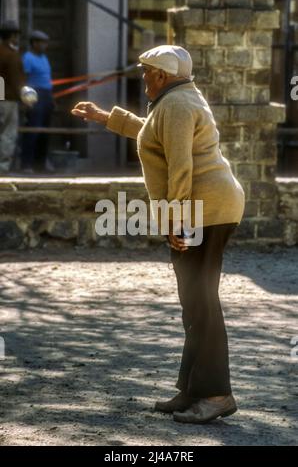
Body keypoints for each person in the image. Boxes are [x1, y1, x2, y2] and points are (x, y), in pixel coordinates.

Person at [71, 45, 246, 424]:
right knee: (194, 301)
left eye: (147, 72)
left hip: (206, 210)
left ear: (162, 76)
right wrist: (106, 117)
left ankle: (216, 394)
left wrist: (176, 221)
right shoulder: (176, 99)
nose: (144, 78)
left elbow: (180, 166)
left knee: (201, 301)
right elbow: (155, 135)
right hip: (207, 206)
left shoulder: (178, 105)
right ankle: (192, 390)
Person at [21, 30, 54, 174]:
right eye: (42, 42)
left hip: (46, 94)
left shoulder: (44, 58)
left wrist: (51, 98)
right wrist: (26, 100)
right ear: (34, 43)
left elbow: (47, 79)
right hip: (34, 94)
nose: (45, 46)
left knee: (44, 131)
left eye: (46, 43)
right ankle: (26, 164)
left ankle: (40, 163)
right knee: (33, 129)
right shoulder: (28, 58)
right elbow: (24, 79)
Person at [0, 20, 25, 174]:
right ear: (13, 36)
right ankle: (2, 167)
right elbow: (16, 81)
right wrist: (23, 98)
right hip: (8, 99)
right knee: (8, 134)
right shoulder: (12, 55)